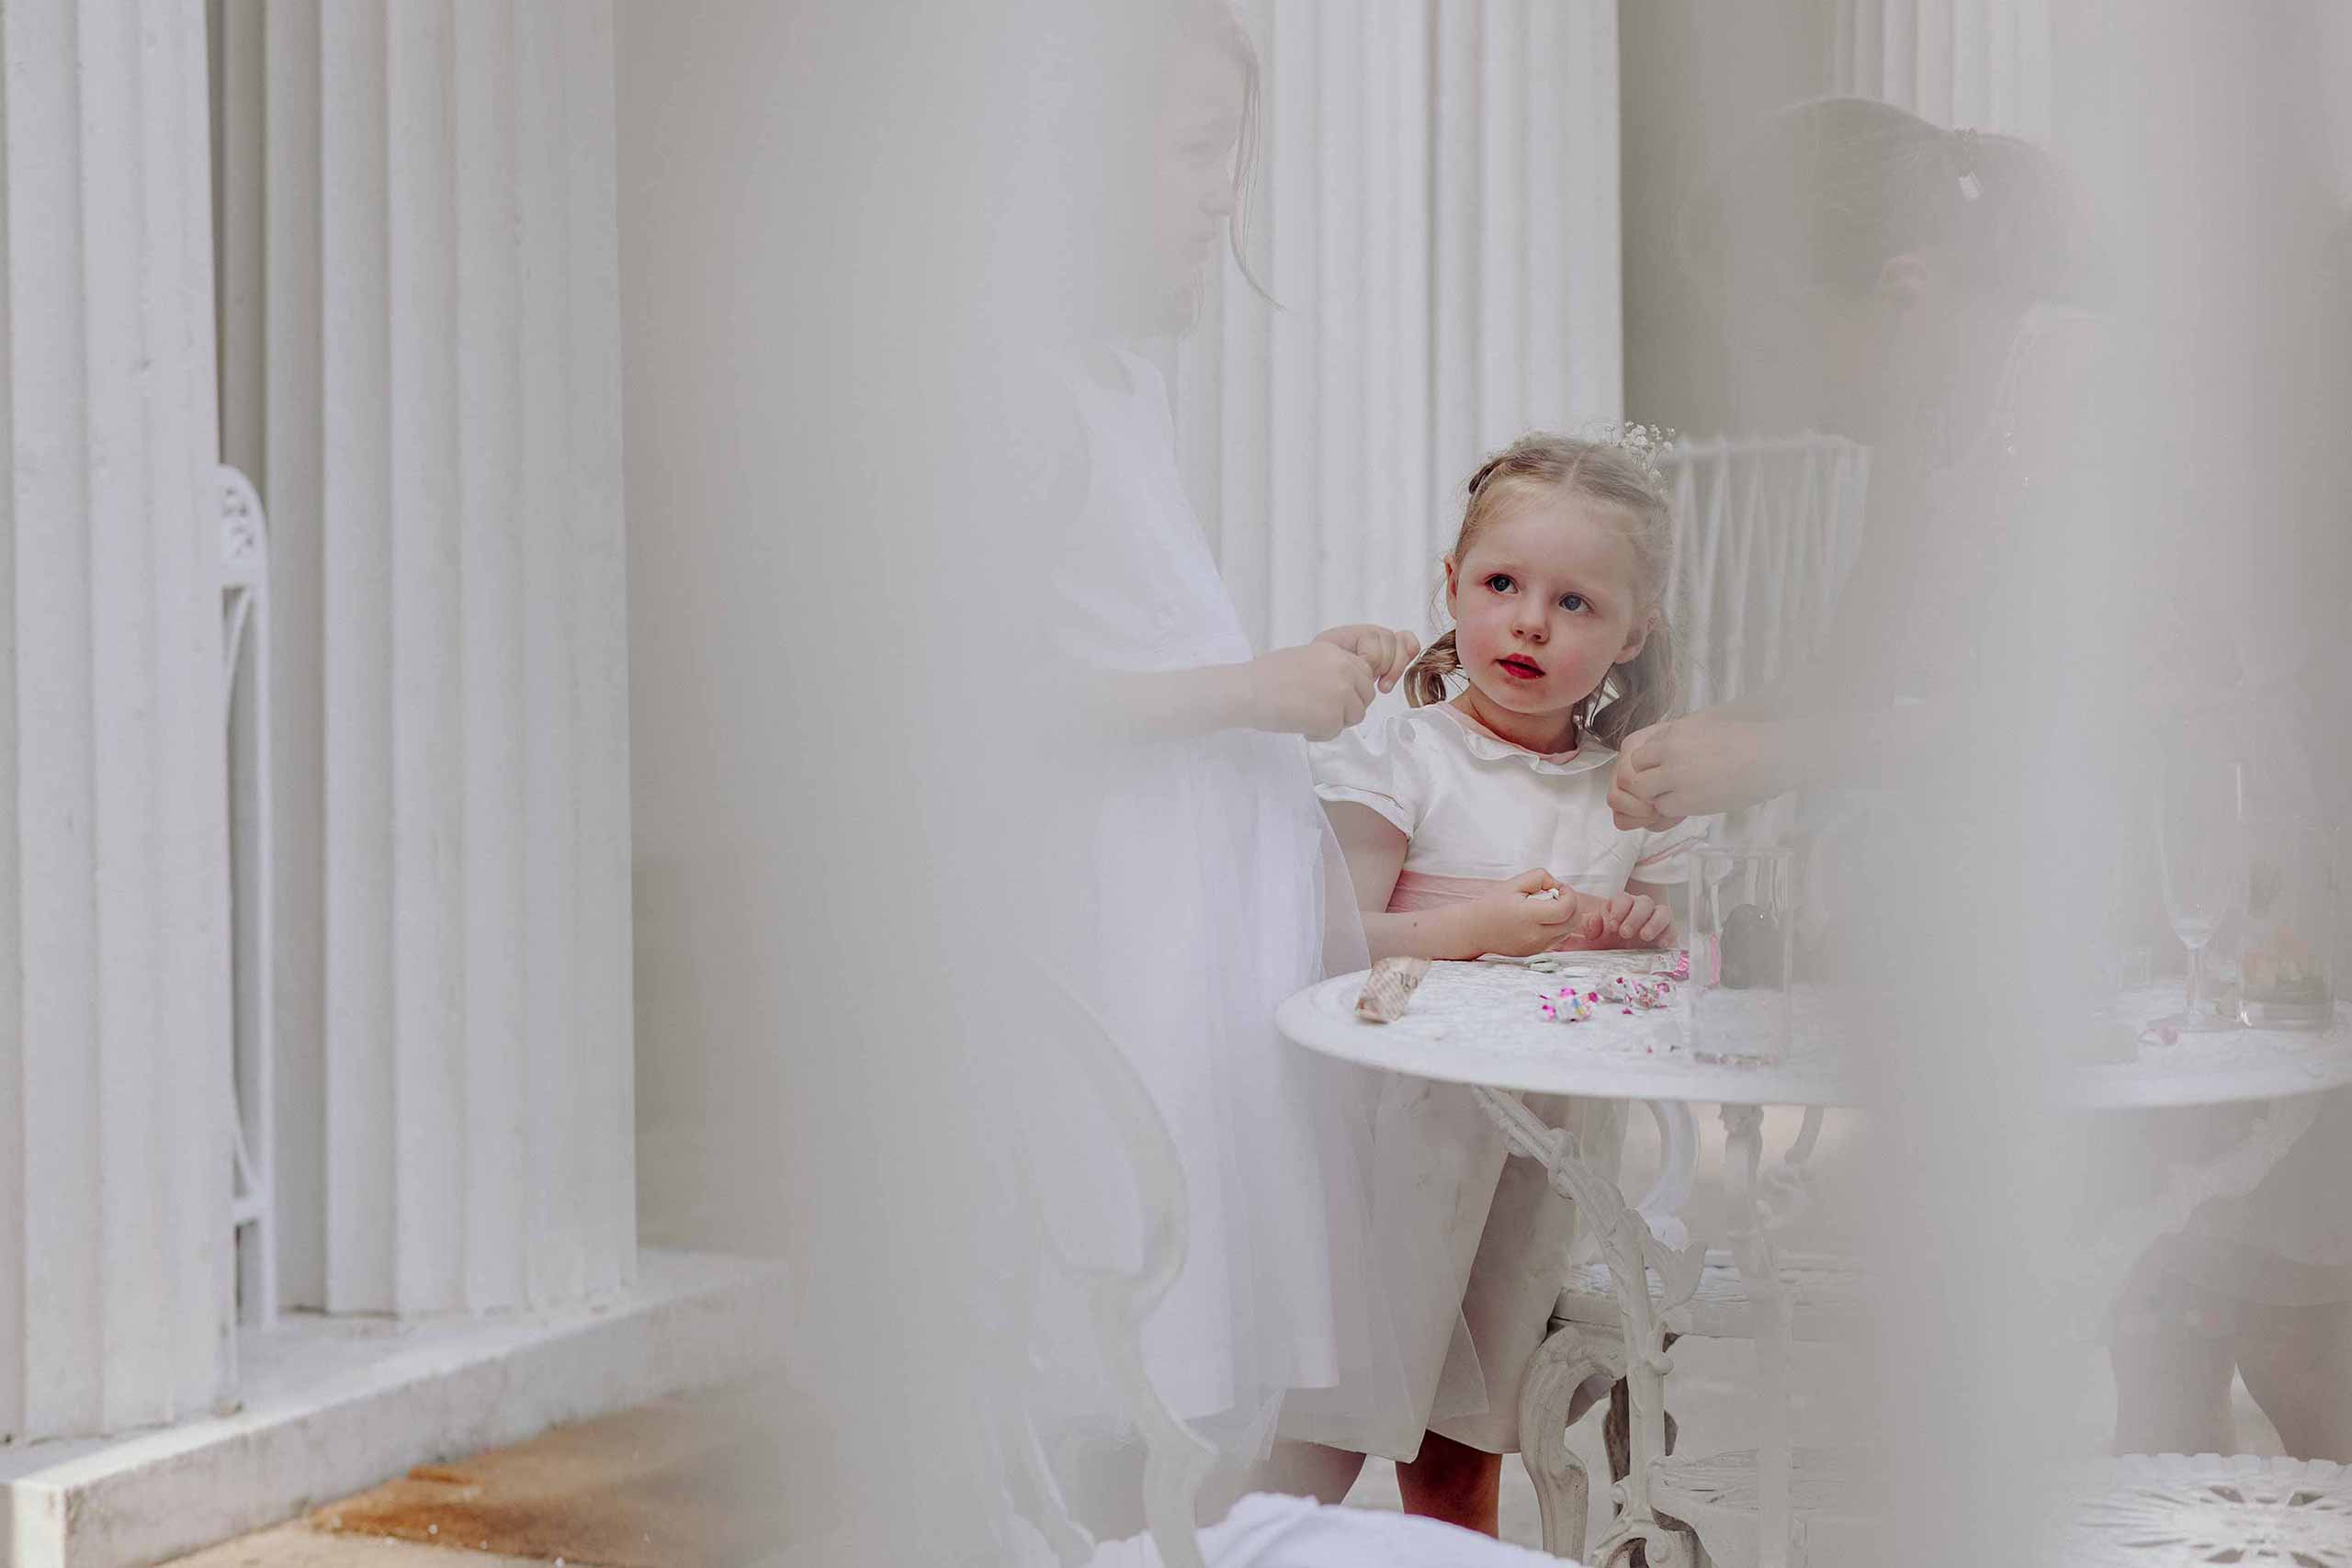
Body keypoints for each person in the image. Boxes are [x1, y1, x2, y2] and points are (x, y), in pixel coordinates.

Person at [1284, 433, 1705, 1536]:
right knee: (1320, 1438)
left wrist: (1636, 934)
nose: (1529, 624)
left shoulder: (1629, 794)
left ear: (1632, 633)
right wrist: (1476, 930)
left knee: (1460, 1453)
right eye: (1502, 586)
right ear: (1453, 586)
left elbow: (1671, 978)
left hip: (1532, 1171)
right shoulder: (1404, 759)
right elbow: (1328, 942)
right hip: (1393, 1151)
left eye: (1575, 603)